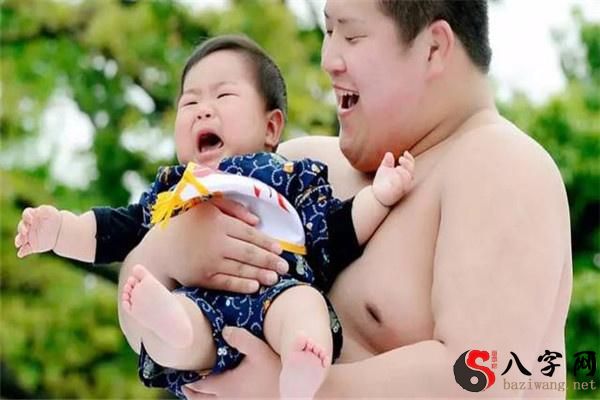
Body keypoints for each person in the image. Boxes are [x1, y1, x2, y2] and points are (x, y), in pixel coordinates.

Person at [118, 0, 572, 398]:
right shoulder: (298, 166)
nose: (328, 60)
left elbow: (484, 379)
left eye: (351, 36)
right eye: (328, 31)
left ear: (433, 48)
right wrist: (170, 250)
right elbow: (140, 325)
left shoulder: (501, 166)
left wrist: (299, 390)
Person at [14, 34, 415, 399]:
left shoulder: (288, 174)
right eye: (190, 102)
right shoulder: (175, 189)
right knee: (178, 333)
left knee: (305, 305)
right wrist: (61, 231)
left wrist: (378, 197)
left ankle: (301, 362)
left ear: (271, 126)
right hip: (199, 308)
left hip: (278, 289)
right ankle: (168, 322)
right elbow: (115, 231)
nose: (203, 111)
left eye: (223, 96)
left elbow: (335, 229)